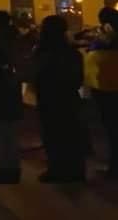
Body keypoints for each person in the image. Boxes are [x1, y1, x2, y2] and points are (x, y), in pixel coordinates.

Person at [34, 15, 87, 183]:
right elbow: (78, 78)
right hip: (69, 97)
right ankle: (76, 170)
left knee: (53, 134)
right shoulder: (72, 53)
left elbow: (36, 75)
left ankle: (57, 169)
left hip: (49, 98)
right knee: (72, 133)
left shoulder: (42, 52)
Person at [0, 10, 24, 184]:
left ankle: (3, 171)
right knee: (11, 133)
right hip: (14, 90)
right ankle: (14, 170)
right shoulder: (17, 38)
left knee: (0, 134)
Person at [85, 7, 118, 179]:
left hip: (107, 88)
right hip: (110, 87)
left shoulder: (105, 39)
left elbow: (93, 54)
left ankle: (116, 167)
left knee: (113, 129)